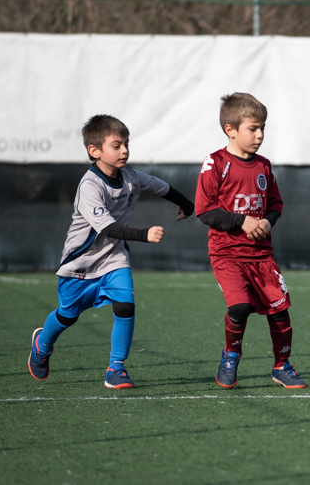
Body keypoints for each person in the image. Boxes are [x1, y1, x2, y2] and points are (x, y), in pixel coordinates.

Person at [28, 115, 195, 389]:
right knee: (67, 315)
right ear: (94, 151)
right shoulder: (90, 185)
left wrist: (187, 205)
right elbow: (107, 228)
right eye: (116, 145)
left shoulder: (130, 176)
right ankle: (42, 344)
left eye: (126, 144)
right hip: (80, 264)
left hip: (114, 260)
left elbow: (162, 187)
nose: (124, 150)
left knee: (125, 306)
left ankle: (116, 367)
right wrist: (144, 234)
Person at [196, 92, 307, 390]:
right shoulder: (215, 162)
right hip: (227, 253)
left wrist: (267, 222)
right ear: (230, 130)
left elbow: (276, 204)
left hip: (261, 255)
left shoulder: (264, 165)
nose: (259, 135)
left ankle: (282, 366)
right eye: (253, 129)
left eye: (262, 128)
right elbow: (205, 210)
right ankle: (230, 357)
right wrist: (241, 221)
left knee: (280, 310)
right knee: (240, 307)